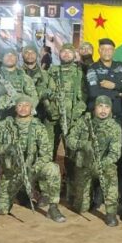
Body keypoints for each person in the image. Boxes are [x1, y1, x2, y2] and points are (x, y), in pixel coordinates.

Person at [0, 96, 66, 222]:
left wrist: (33, 168)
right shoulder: (5, 125)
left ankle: (53, 207)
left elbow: (46, 154)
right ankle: (20, 193)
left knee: (53, 169)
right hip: (12, 173)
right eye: (20, 105)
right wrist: (7, 148)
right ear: (15, 108)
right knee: (1, 210)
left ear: (31, 108)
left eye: (27, 105)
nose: (23, 108)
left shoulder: (38, 127)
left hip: (33, 170)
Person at [65, 95, 122, 225]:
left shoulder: (115, 128)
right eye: (100, 106)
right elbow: (69, 140)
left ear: (110, 110)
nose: (103, 110)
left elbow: (115, 153)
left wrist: (102, 164)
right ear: (94, 108)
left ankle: (111, 212)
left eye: (107, 107)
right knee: (81, 208)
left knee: (111, 174)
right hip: (84, 165)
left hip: (103, 166)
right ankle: (84, 200)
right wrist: (83, 144)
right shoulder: (83, 121)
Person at [45, 43, 86, 205]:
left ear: (74, 55)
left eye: (70, 52)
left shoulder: (79, 73)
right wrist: (50, 109)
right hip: (53, 119)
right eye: (64, 52)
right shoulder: (52, 72)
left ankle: (71, 191)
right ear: (59, 54)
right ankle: (47, 191)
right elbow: (45, 92)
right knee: (48, 154)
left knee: (72, 156)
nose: (67, 55)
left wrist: (76, 114)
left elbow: (84, 97)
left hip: (72, 121)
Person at [0, 49, 37, 130]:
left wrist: (26, 110)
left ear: (17, 59)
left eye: (12, 55)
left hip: (19, 118)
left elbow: (34, 97)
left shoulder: (23, 77)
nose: (10, 57)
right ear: (2, 58)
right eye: (7, 55)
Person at [85, 38, 122, 119]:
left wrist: (114, 86)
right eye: (103, 49)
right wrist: (120, 94)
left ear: (114, 51)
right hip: (100, 116)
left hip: (120, 114)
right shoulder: (92, 68)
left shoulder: (121, 66)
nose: (107, 52)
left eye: (109, 49)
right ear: (99, 51)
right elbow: (93, 92)